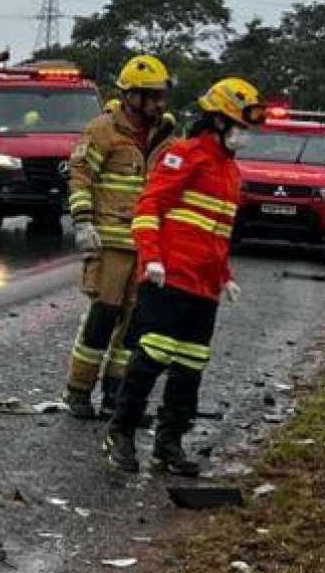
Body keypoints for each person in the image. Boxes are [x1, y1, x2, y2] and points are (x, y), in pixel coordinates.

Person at [104, 76, 261, 478]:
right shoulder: (185, 156)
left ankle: (168, 442)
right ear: (218, 122)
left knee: (191, 366)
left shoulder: (231, 172)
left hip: (204, 287)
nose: (244, 136)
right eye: (240, 127)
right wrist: (152, 259)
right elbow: (148, 208)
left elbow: (217, 233)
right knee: (151, 356)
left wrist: (224, 276)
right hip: (168, 279)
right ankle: (120, 432)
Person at [61, 55, 176, 418]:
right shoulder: (103, 131)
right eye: (151, 96)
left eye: (161, 96)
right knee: (101, 318)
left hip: (149, 247)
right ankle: (79, 391)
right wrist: (83, 221)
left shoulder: (169, 136)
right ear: (130, 96)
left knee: (135, 326)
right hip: (110, 245)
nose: (158, 104)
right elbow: (80, 178)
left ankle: (116, 395)